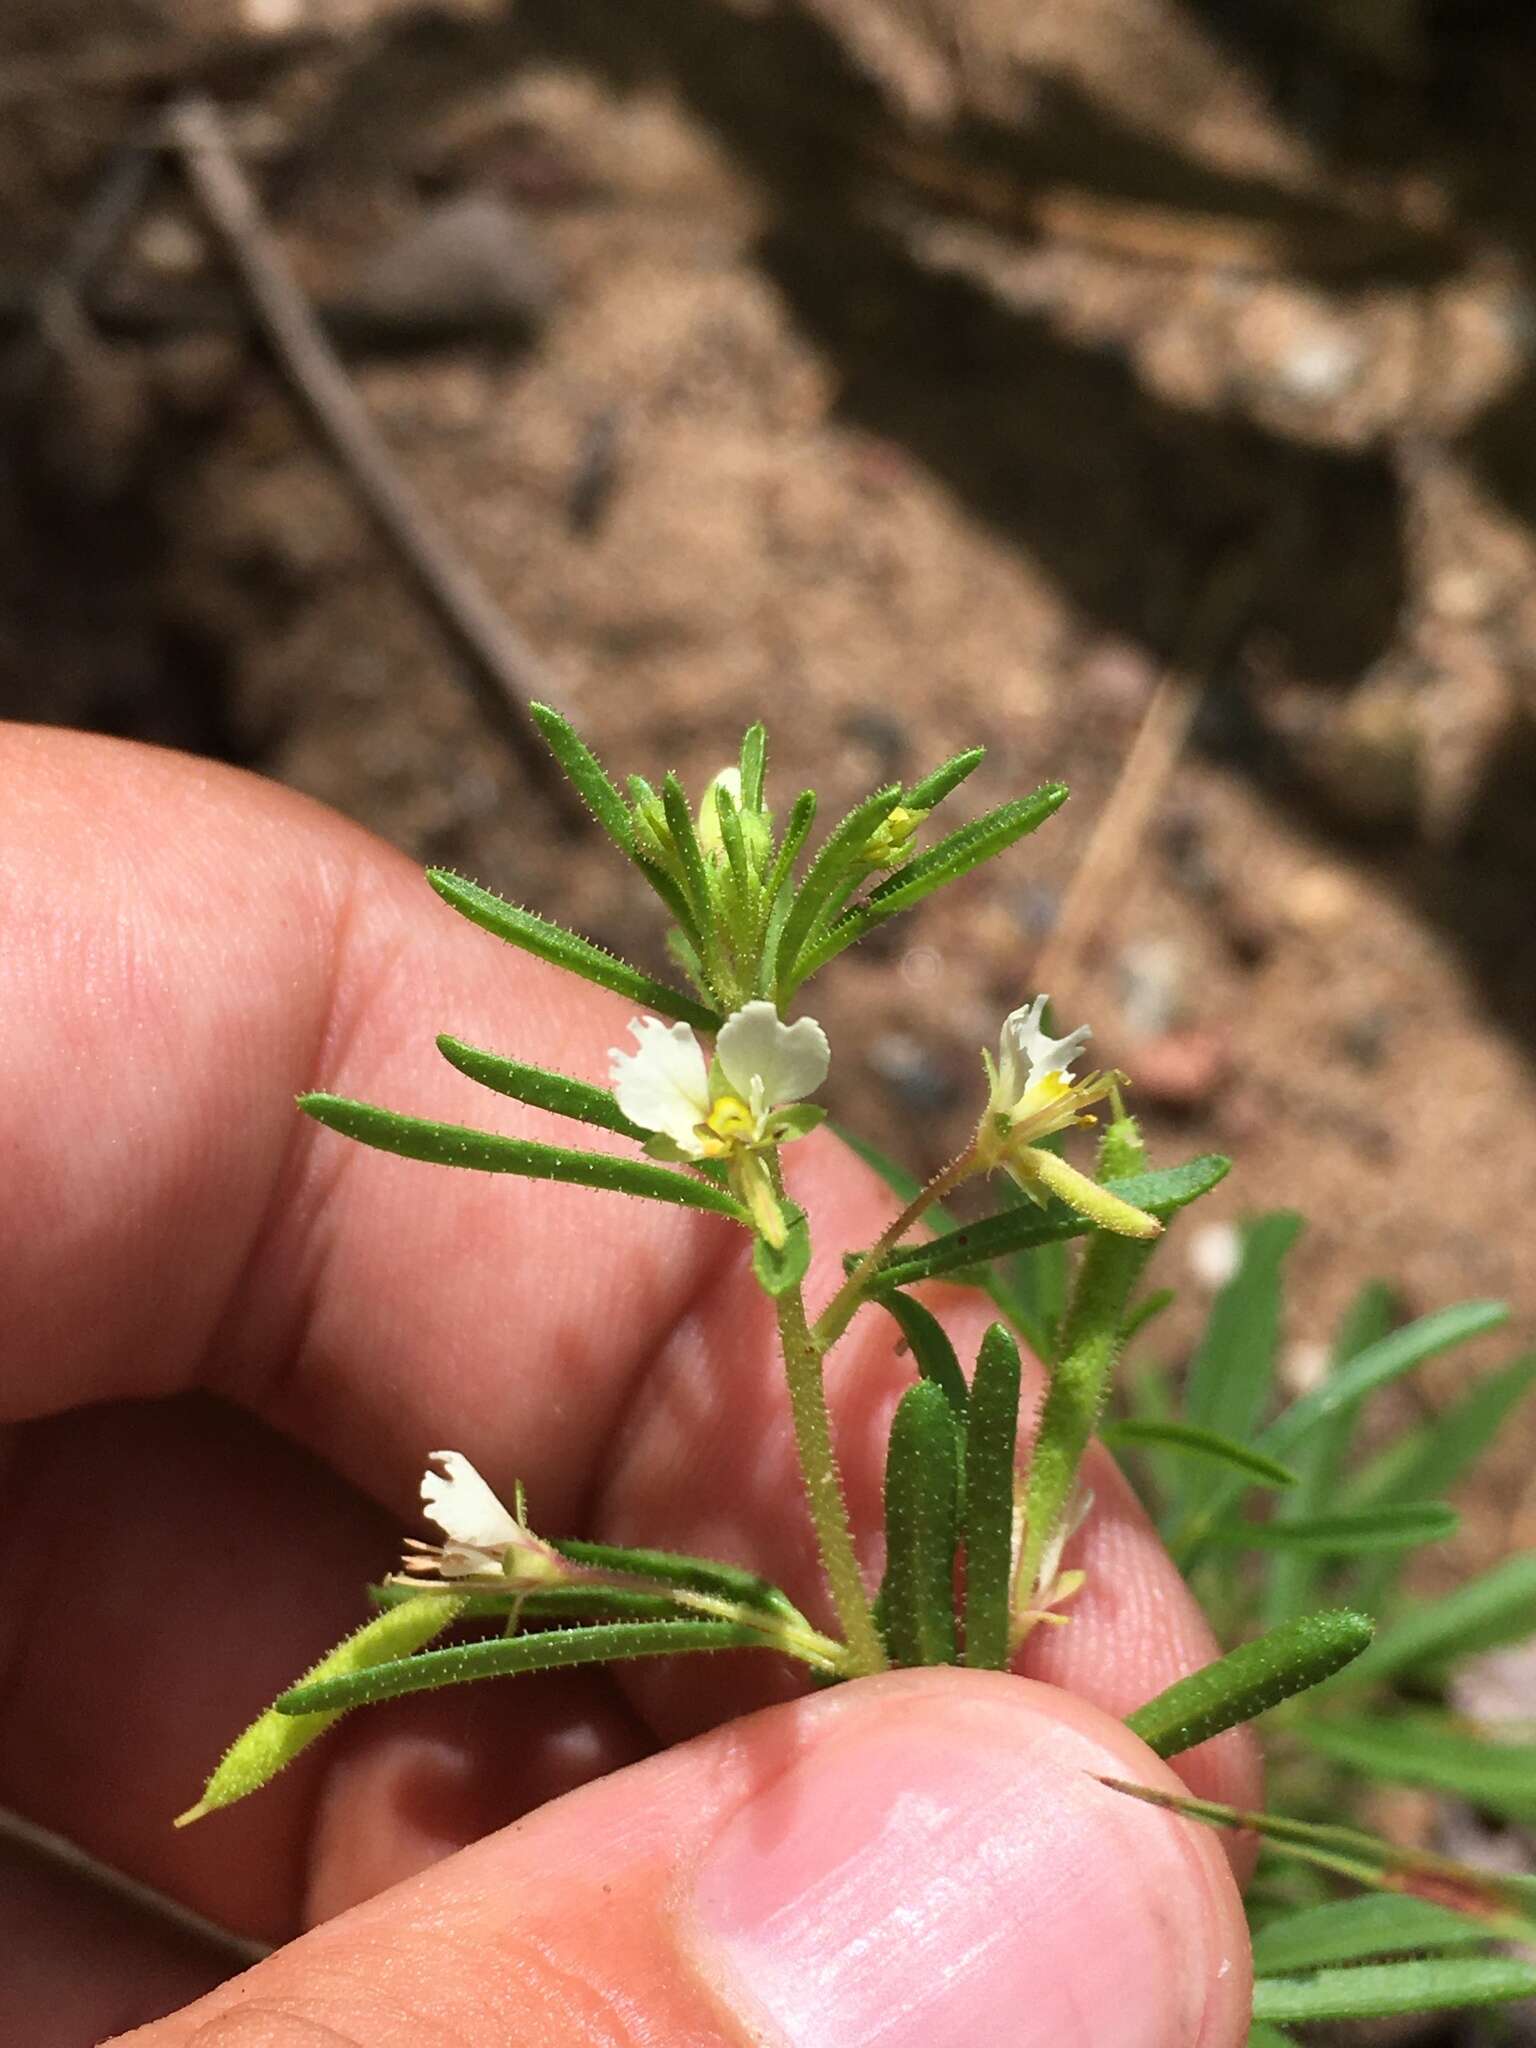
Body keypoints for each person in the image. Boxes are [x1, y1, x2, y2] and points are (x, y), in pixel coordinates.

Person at [2, 725, 1256, 2047]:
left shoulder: (762, 1123)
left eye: (748, 1121)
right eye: (729, 1122)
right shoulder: (724, 1124)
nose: (740, 1133)